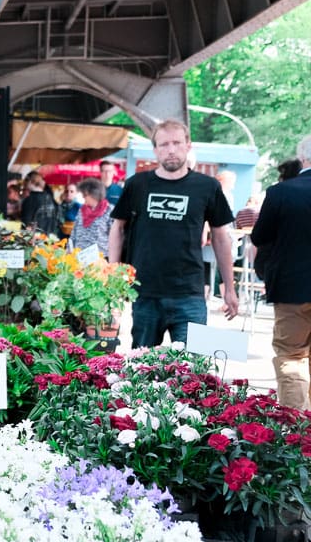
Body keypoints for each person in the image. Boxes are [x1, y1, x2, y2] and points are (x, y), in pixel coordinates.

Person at [108, 119, 238, 348]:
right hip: (145, 292)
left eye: (177, 143)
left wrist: (229, 287)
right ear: (155, 150)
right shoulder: (137, 184)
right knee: (142, 371)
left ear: (188, 145)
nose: (171, 150)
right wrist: (112, 279)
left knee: (194, 373)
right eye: (164, 144)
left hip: (190, 293)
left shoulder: (208, 186)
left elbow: (220, 237)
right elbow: (117, 229)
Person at [249, 135, 311, 410]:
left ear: (302, 159)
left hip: (292, 290)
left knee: (291, 357)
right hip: (291, 288)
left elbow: (260, 236)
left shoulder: (281, 192)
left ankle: (297, 435)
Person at [69, 178, 112, 256]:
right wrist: (69, 250)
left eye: (85, 195)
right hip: (80, 258)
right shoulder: (81, 210)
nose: (83, 197)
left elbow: (114, 237)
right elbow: (73, 233)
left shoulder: (109, 210)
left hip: (100, 259)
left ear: (94, 194)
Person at [18, 170, 60, 235]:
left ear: (31, 181)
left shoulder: (30, 200)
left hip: (35, 240)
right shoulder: (50, 198)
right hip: (50, 239)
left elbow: (25, 225)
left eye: (25, 180)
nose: (24, 183)